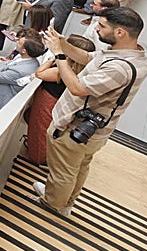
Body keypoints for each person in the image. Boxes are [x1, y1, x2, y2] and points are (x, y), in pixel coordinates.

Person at [36, 7, 147, 218]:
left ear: (120, 32)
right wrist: (63, 44)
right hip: (97, 131)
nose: (96, 28)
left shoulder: (119, 68)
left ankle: (51, 204)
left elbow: (77, 87)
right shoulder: (133, 55)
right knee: (78, 167)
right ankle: (66, 202)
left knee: (63, 170)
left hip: (74, 128)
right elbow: (89, 58)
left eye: (102, 26)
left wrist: (59, 54)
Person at [26, 34, 95, 165]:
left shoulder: (61, 71)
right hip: (60, 103)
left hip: (47, 100)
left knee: (40, 128)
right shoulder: (83, 73)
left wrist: (52, 58)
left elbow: (39, 73)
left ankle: (37, 157)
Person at [0, 34, 46, 114]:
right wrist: (5, 63)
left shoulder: (21, 71)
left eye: (19, 43)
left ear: (24, 51)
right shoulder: (29, 61)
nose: (16, 42)